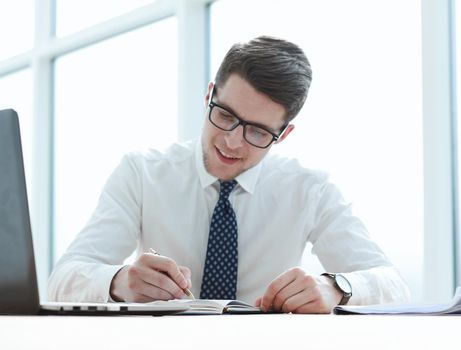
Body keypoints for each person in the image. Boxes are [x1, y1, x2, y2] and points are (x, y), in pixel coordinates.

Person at [48, 36, 410, 313]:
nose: (232, 142)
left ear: (283, 135)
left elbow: (394, 285)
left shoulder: (309, 188)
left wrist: (339, 287)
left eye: (257, 131)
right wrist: (118, 282)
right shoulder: (142, 173)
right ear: (209, 95)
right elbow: (62, 280)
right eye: (225, 115)